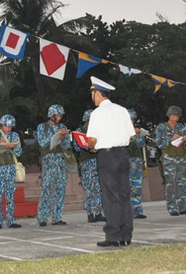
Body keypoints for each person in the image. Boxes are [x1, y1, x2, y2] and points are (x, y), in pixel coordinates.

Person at [86, 76, 135, 247]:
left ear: (98, 93)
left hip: (107, 157)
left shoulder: (97, 113)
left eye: (93, 93)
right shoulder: (122, 110)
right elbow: (131, 135)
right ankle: (126, 235)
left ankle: (113, 236)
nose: (92, 97)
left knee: (111, 196)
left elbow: (92, 140)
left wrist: (90, 147)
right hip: (122, 154)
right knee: (124, 195)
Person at [155, 105, 186, 216]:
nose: (175, 118)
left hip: (181, 158)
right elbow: (158, 143)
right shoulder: (162, 127)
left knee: (181, 183)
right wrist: (170, 139)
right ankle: (172, 207)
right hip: (169, 159)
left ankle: (183, 206)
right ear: (169, 115)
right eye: (173, 115)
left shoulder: (181, 127)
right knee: (170, 183)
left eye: (177, 116)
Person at [36, 104, 72, 226]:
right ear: (51, 115)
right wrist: (55, 134)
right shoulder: (42, 127)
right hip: (48, 161)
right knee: (46, 188)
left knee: (60, 189)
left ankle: (57, 217)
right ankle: (43, 217)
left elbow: (67, 146)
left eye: (61, 115)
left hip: (60, 160)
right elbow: (42, 143)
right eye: (58, 115)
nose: (60, 117)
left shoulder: (63, 127)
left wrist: (64, 136)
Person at [74, 109, 105, 223]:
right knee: (88, 188)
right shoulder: (80, 131)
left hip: (98, 162)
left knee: (98, 188)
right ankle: (90, 213)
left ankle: (98, 212)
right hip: (86, 163)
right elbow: (77, 147)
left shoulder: (99, 131)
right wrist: (87, 146)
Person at [127, 109, 148, 219]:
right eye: (129, 119)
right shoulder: (119, 131)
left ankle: (138, 211)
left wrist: (137, 135)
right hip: (124, 162)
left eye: (133, 119)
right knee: (126, 188)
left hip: (136, 161)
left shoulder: (137, 131)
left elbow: (141, 144)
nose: (131, 121)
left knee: (137, 187)